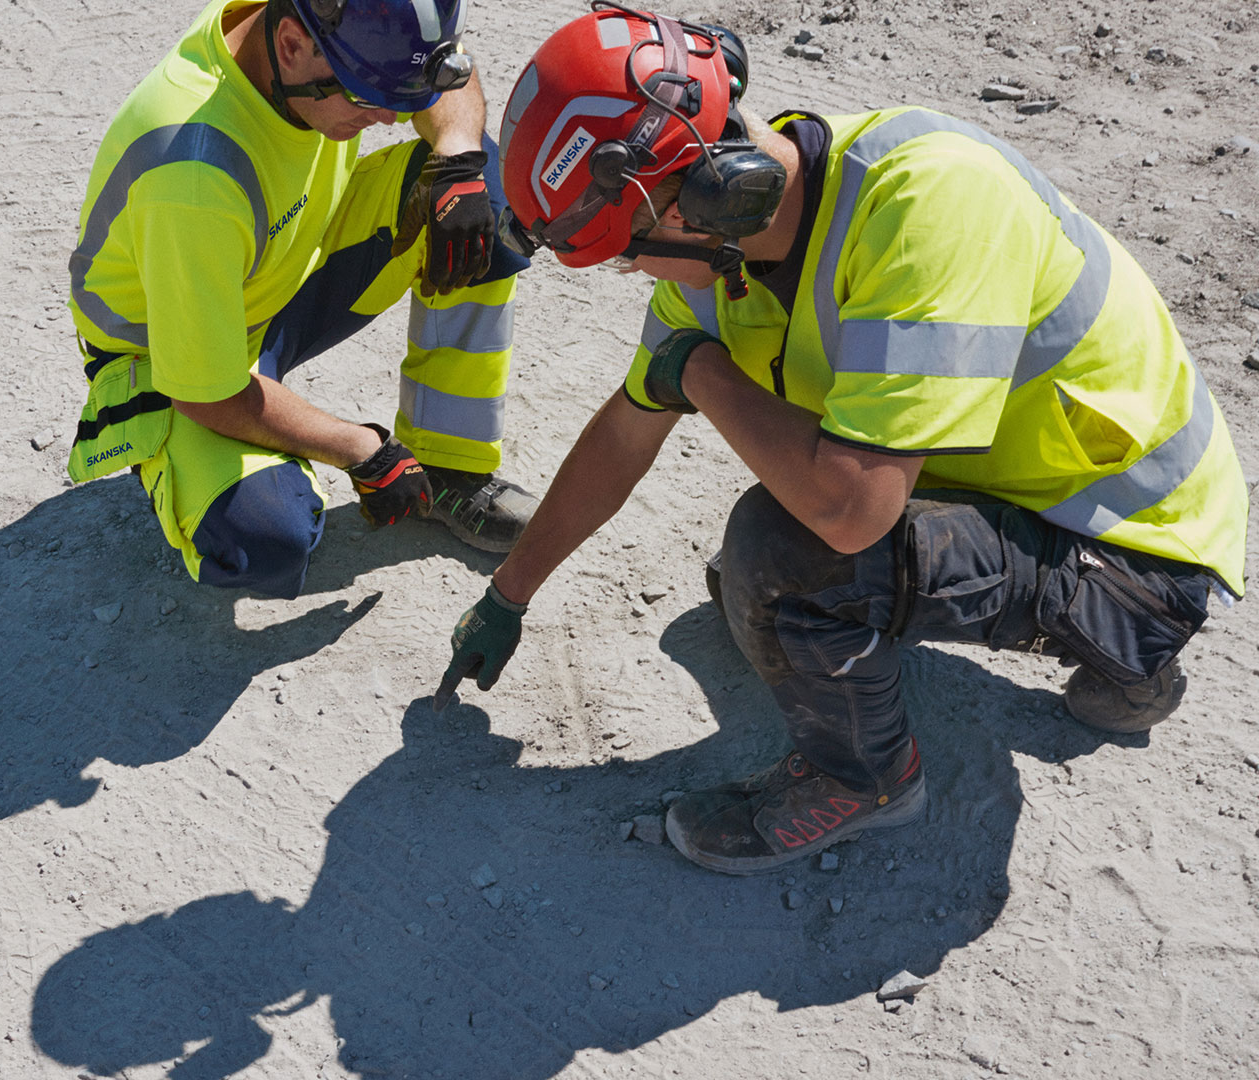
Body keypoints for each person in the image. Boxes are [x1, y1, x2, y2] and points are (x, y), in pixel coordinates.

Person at [435, 3, 1248, 875]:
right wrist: (509, 595)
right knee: (755, 590)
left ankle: (875, 778)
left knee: (785, 554)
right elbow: (627, 432)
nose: (633, 275)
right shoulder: (719, 266)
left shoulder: (932, 202)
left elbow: (852, 513)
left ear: (709, 196)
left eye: (629, 254)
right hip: (1005, 482)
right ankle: (1087, 655)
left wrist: (704, 373)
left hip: (1135, 543)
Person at [65, 0, 539, 601]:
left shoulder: (314, 33)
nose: (395, 118)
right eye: (370, 96)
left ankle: (447, 462)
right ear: (291, 46)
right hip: (169, 361)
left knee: (482, 204)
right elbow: (203, 388)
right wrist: (360, 448)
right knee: (265, 537)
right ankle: (167, 463)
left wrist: (458, 156)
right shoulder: (192, 174)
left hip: (280, 269)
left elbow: (447, 73)